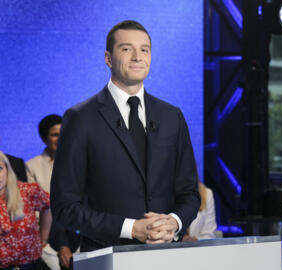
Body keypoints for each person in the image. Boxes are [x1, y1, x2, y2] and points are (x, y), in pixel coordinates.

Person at [50, 20, 200, 252]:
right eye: (127, 49)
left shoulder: (172, 116)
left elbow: (189, 193)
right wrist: (131, 228)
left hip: (166, 255)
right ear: (108, 58)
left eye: (144, 50)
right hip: (108, 255)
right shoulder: (80, 118)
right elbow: (64, 208)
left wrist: (174, 222)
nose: (137, 57)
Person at [0, 148, 50, 269]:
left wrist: (44, 238)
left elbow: (47, 206)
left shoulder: (28, 191)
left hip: (30, 266)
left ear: (7, 170)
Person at [27, 114, 80, 270]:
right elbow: (35, 207)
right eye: (55, 135)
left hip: (77, 227)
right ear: (44, 139)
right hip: (46, 231)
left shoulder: (78, 160)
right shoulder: (31, 166)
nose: (60, 138)